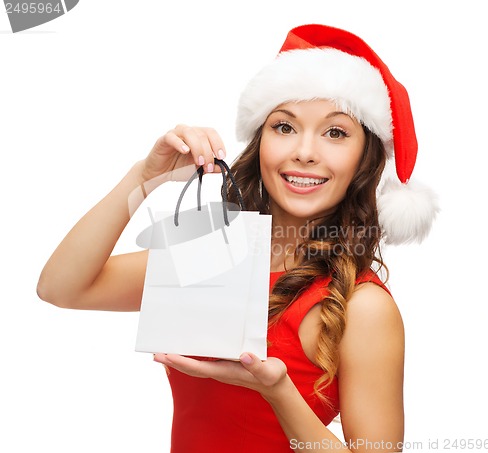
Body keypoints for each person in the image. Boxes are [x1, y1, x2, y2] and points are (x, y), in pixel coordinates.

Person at [37, 24, 438, 452]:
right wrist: (143, 178)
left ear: (364, 159)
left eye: (335, 132)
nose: (304, 151)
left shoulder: (363, 306)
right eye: (284, 127)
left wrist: (279, 392)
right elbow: (60, 287)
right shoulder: (210, 258)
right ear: (260, 142)